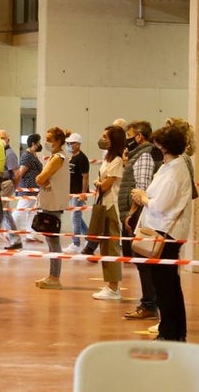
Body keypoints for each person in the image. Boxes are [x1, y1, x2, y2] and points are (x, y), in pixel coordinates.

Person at [130, 125, 194, 342]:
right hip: (160, 230)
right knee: (169, 286)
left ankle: (170, 332)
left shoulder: (175, 171)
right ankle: (173, 331)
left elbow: (160, 205)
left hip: (165, 233)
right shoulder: (169, 166)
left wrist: (142, 198)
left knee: (166, 288)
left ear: (165, 147)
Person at [119, 120, 161, 321]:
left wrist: (131, 213)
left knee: (143, 260)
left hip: (141, 214)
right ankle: (150, 303)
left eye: (129, 134)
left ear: (138, 137)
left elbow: (141, 188)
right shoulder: (139, 154)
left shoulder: (144, 155)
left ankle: (149, 305)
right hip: (141, 213)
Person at [90, 126, 125, 300]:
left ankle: (114, 287)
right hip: (103, 204)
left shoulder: (117, 160)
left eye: (105, 136)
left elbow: (105, 185)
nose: (102, 139)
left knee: (111, 247)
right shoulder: (107, 158)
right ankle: (109, 284)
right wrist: (99, 182)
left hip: (112, 206)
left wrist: (98, 182)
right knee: (104, 246)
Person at [33, 127, 70, 290]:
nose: (46, 142)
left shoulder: (58, 158)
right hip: (50, 202)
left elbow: (40, 178)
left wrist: (43, 179)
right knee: (50, 241)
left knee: (54, 242)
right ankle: (52, 275)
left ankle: (55, 277)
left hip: (53, 204)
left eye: (49, 139)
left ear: (58, 141)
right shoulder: (56, 157)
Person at [13, 134, 43, 240]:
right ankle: (8, 231)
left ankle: (30, 234)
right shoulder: (27, 155)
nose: (40, 144)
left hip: (34, 189)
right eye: (38, 142)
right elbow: (21, 172)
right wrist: (16, 186)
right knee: (20, 210)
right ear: (33, 143)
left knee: (32, 212)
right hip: (27, 188)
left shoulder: (34, 155)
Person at [65, 133, 90, 253]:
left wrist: (83, 193)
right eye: (68, 143)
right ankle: (90, 238)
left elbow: (85, 176)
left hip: (79, 193)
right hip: (72, 192)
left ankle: (76, 243)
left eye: (72, 143)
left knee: (75, 217)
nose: (69, 145)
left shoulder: (82, 158)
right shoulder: (72, 157)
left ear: (78, 144)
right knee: (78, 217)